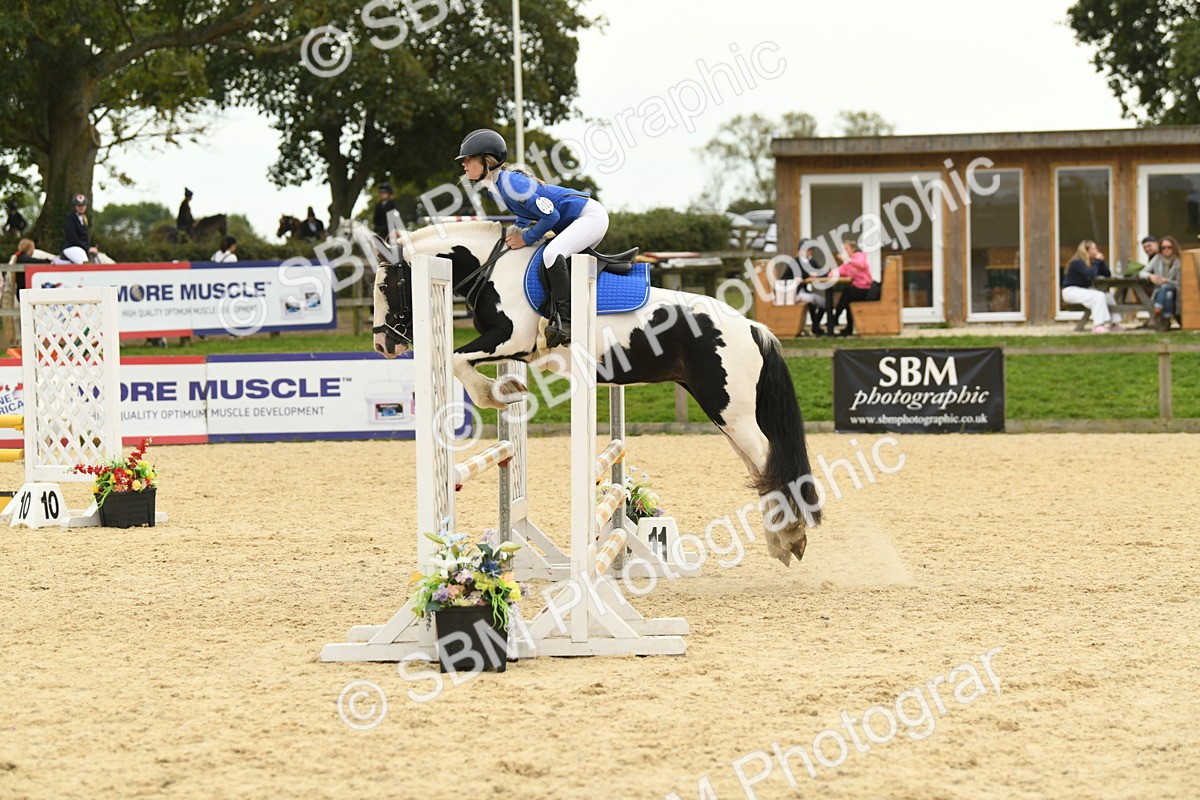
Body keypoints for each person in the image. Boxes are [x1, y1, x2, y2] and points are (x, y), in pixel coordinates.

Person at [457, 128, 606, 347]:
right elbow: (525, 213)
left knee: (552, 254)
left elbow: (551, 216)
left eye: (468, 159)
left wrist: (526, 239)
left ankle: (567, 323)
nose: (463, 164)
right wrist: (517, 229)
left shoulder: (510, 183)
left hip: (589, 216)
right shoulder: (495, 186)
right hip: (574, 221)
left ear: (486, 160)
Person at [1062, 239, 1122, 334]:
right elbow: (1090, 274)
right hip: (1071, 291)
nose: (1096, 251)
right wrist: (1097, 261)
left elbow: (1107, 274)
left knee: (1108, 296)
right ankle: (1098, 325)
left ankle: (1114, 324)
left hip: (1084, 291)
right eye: (1093, 249)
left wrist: (1102, 262)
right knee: (1098, 296)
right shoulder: (1077, 262)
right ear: (1086, 251)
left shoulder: (1092, 262)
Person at [827, 239, 874, 336]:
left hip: (866, 290)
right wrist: (831, 274)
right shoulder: (847, 264)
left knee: (848, 291)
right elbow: (836, 272)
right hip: (856, 291)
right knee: (848, 299)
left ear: (852, 249)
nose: (844, 252)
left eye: (846, 249)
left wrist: (848, 260)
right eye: (843, 250)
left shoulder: (859, 256)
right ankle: (847, 328)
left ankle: (835, 318)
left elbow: (862, 264)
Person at [1139, 234, 1182, 331]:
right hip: (1161, 291)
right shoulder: (1157, 258)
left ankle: (1157, 312)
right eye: (1163, 248)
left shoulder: (1179, 261)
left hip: (1175, 288)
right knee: (1168, 294)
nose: (1166, 250)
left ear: (1173, 247)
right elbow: (1142, 272)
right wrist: (1150, 276)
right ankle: (1166, 320)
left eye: (1169, 247)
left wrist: (1167, 280)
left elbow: (1180, 282)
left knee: (1165, 287)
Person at [788, 238, 830, 336]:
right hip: (793, 293)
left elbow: (822, 273)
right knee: (815, 301)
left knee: (825, 302)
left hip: (803, 291)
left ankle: (816, 326)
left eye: (811, 249)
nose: (810, 251)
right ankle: (816, 327)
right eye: (808, 249)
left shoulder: (810, 262)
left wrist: (822, 273)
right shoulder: (795, 262)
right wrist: (807, 275)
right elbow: (785, 278)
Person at [61, 194, 98, 264]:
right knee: (84, 262)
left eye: (83, 205)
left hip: (82, 248)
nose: (81, 207)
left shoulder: (85, 219)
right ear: (75, 206)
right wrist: (88, 248)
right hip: (72, 248)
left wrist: (91, 247)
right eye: (79, 205)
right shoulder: (70, 219)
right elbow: (73, 239)